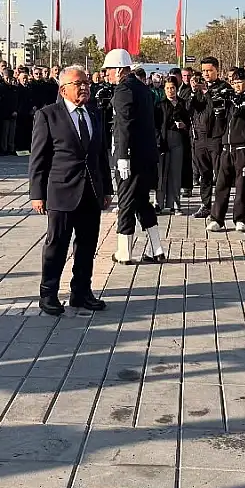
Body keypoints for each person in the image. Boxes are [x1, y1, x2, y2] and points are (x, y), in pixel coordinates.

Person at [29, 65, 113, 316]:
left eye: (87, 83)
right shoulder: (48, 115)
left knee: (87, 244)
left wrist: (106, 188)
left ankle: (81, 292)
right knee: (57, 244)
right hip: (61, 191)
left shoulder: (94, 114)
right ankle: (48, 294)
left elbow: (100, 155)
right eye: (79, 84)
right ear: (63, 89)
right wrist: (37, 194)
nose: (85, 87)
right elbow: (38, 158)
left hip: (91, 191)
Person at [105, 48, 164, 263]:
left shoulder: (123, 90)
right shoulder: (143, 88)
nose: (106, 74)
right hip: (146, 155)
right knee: (142, 201)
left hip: (131, 157)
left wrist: (123, 156)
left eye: (109, 70)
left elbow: (124, 126)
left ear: (120, 69)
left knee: (126, 202)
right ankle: (157, 248)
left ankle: (124, 251)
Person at [208, 68, 245, 233]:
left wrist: (229, 97)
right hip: (227, 146)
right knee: (221, 184)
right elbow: (221, 119)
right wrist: (219, 108)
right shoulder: (230, 98)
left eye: (240, 82)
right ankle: (217, 218)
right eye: (234, 83)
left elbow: (238, 109)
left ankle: (240, 218)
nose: (236, 86)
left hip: (244, 147)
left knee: (242, 184)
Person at [189, 57, 229, 219]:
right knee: (204, 174)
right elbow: (188, 109)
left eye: (209, 70)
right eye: (203, 71)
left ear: (217, 70)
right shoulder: (197, 90)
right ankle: (205, 205)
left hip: (216, 137)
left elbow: (218, 109)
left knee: (219, 174)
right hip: (199, 138)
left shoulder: (224, 88)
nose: (205, 74)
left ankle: (219, 208)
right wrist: (193, 91)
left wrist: (207, 92)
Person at [155, 76, 189, 215]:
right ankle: (158, 203)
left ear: (177, 89)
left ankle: (176, 204)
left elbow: (189, 121)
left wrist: (184, 125)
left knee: (175, 173)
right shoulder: (159, 105)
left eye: (173, 88)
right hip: (163, 141)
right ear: (164, 89)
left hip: (178, 140)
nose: (170, 91)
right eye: (168, 88)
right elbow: (155, 125)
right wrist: (157, 140)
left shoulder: (183, 104)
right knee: (161, 174)